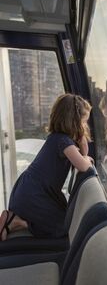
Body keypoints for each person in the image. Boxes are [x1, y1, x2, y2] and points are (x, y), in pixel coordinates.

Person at [0, 93, 93, 241]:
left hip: (35, 190)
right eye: (83, 122)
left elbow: (81, 155)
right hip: (34, 194)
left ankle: (13, 221)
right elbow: (83, 165)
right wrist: (87, 158)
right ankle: (17, 222)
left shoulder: (58, 138)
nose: (85, 127)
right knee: (61, 228)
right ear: (73, 122)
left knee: (64, 221)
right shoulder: (64, 142)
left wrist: (83, 146)